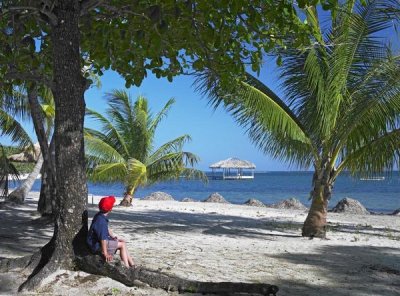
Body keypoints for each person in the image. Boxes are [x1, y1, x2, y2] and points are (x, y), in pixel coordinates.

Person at [87, 195, 135, 267]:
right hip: (97, 245)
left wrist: (114, 237)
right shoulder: (101, 221)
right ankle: (127, 266)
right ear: (110, 209)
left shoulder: (99, 215)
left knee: (122, 242)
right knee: (122, 245)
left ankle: (132, 265)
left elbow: (107, 230)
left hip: (97, 241)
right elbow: (103, 239)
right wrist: (105, 253)